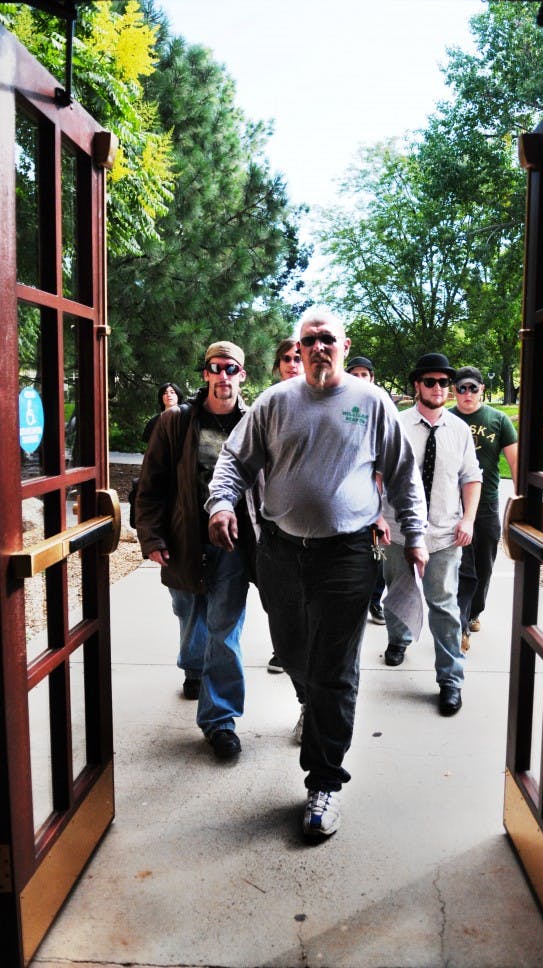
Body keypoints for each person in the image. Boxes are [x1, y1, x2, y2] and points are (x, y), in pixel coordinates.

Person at [207, 305, 428, 839]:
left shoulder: (371, 402)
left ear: (344, 346)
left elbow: (402, 474)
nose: (318, 347)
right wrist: (221, 503)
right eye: (308, 340)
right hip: (280, 553)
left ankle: (323, 781)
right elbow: (235, 461)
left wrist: (416, 536)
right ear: (297, 349)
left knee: (335, 668)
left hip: (347, 557)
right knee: (294, 653)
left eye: (328, 338)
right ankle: (315, 704)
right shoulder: (275, 402)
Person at [134, 341, 256, 760]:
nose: (224, 376)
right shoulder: (175, 422)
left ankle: (220, 720)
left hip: (234, 546)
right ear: (205, 373)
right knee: (190, 615)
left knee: (225, 630)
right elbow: (150, 486)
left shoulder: (253, 422)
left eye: (232, 369)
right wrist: (151, 538)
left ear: (243, 374)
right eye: (215, 368)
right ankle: (193, 667)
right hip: (185, 540)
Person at [381, 353, 482, 718]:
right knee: (397, 593)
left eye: (444, 382)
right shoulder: (395, 425)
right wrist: (378, 517)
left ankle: (450, 679)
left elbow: (471, 478)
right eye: (430, 382)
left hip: (443, 534)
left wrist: (468, 520)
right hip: (398, 531)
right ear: (417, 386)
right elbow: (377, 474)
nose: (438, 388)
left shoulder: (460, 430)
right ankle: (398, 638)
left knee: (444, 606)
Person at [450, 366, 518, 649]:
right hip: (452, 504)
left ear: (482, 390)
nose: (467, 394)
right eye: (462, 388)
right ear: (455, 391)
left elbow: (516, 462)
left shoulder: (498, 420)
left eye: (472, 388)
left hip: (487, 503)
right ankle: (461, 625)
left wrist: (522, 496)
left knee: (484, 565)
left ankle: (475, 611)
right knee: (464, 567)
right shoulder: (447, 419)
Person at [265, 337, 305, 675]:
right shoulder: (268, 405)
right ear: (278, 365)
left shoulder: (321, 400)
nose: (293, 364)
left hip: (314, 524)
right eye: (286, 359)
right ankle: (283, 649)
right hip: (273, 522)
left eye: (298, 358)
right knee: (278, 599)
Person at [346, 354, 388, 624]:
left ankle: (375, 601)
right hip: (351, 505)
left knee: (378, 558)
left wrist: (381, 512)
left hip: (378, 506)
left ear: (372, 378)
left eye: (365, 375)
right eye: (355, 374)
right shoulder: (343, 408)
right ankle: (357, 603)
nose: (360, 379)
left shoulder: (382, 409)